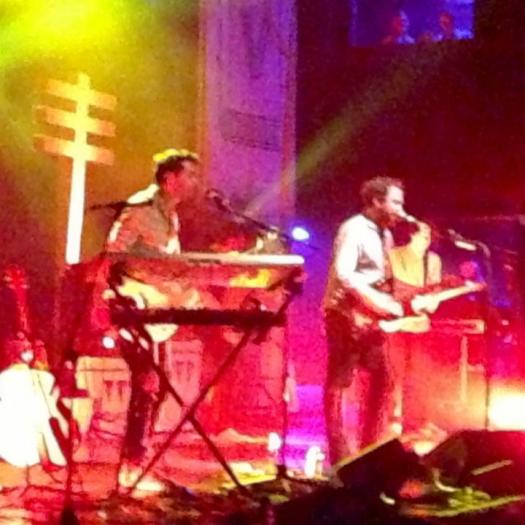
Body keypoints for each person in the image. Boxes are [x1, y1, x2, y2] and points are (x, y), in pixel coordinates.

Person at [105, 148, 204, 492]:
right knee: (147, 383)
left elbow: (163, 266)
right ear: (169, 178)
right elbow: (114, 254)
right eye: (190, 175)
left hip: (155, 311)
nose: (195, 182)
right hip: (133, 308)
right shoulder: (141, 207)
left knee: (159, 386)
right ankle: (130, 469)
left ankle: (139, 461)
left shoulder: (170, 216)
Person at [323, 176, 408, 465]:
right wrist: (374, 302)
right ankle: (339, 457)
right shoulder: (354, 229)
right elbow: (345, 274)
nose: (401, 210)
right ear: (376, 201)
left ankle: (368, 452)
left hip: (369, 318)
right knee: (340, 382)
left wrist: (395, 301)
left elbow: (380, 280)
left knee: (383, 380)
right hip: (344, 314)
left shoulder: (386, 235)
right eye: (396, 203)